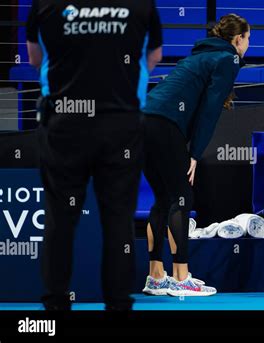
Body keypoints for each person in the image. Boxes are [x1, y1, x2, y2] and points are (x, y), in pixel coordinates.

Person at [26, 0, 163, 310]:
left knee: (60, 220)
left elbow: (34, 58)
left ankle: (55, 308)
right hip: (121, 124)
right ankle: (117, 306)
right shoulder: (140, 5)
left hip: (64, 123)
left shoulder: (45, 4)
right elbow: (154, 55)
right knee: (118, 221)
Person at [141, 14, 250, 297]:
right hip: (164, 124)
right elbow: (210, 110)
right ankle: (181, 276)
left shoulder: (201, 55)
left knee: (164, 198)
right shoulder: (229, 59)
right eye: (248, 39)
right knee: (181, 197)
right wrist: (195, 153)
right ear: (238, 39)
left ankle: (156, 276)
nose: (248, 45)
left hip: (141, 121)